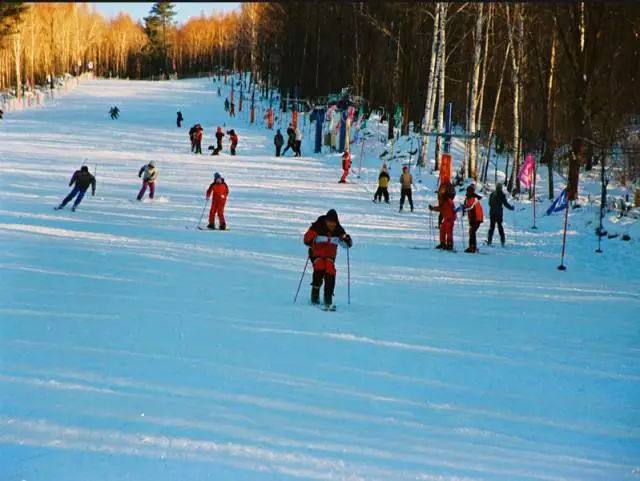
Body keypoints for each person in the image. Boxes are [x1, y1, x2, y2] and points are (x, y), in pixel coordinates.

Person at [303, 209, 352, 309]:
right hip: (316, 254)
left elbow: (346, 245)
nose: (331, 225)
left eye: (334, 223)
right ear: (326, 221)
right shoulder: (317, 226)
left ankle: (328, 298)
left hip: (330, 256)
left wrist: (347, 240)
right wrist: (310, 237)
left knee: (330, 269)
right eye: (330, 222)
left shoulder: (339, 230)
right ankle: (315, 295)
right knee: (320, 266)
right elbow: (306, 240)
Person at [487, 182, 514, 246]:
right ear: (501, 188)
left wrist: (493, 207)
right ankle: (502, 241)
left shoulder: (492, 194)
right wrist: (511, 208)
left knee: (491, 227)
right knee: (500, 227)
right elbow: (505, 203)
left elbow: (489, 203)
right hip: (499, 213)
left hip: (492, 213)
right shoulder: (502, 194)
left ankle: (489, 241)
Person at [462, 184, 484, 253]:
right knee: (471, 232)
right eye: (468, 190)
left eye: (470, 190)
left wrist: (464, 208)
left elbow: (470, 206)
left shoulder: (473, 198)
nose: (468, 192)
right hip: (474, 218)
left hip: (476, 218)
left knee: (472, 232)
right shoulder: (470, 197)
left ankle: (472, 247)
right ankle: (472, 247)